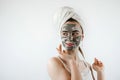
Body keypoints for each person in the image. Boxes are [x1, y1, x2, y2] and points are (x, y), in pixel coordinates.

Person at [47, 6, 104, 80]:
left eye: (75, 33)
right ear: (60, 35)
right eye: (65, 33)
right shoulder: (54, 63)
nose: (70, 38)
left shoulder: (87, 65)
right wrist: (72, 62)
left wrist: (100, 72)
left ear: (82, 36)